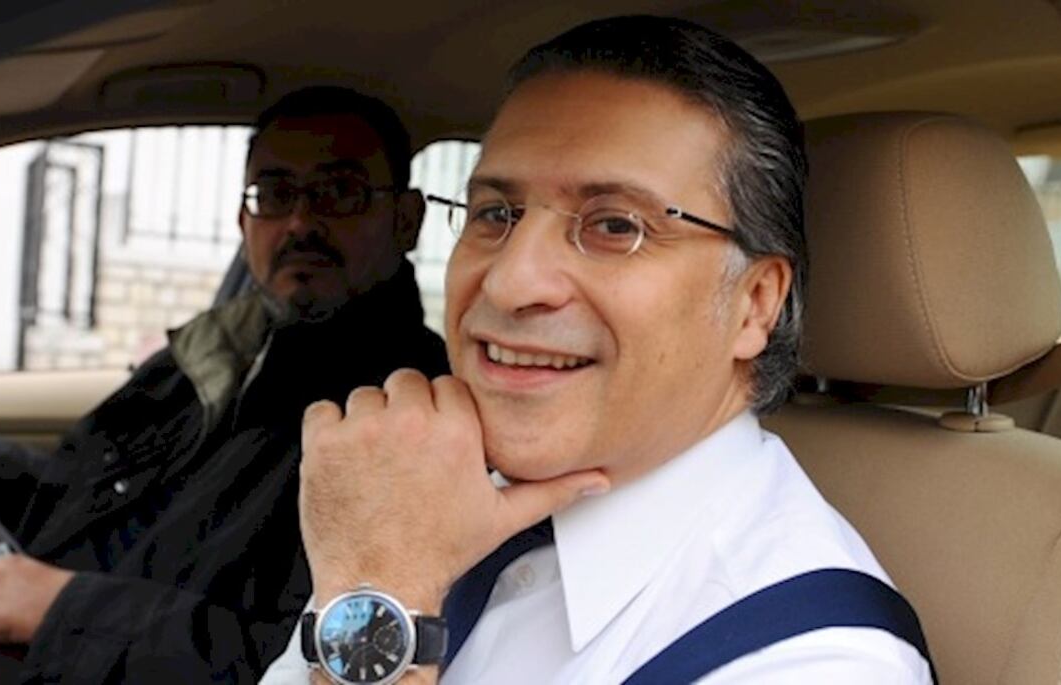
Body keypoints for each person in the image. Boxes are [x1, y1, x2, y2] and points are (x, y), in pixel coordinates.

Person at [263, 17, 934, 685]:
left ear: (755, 303)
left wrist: (380, 602)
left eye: (615, 225)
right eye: (495, 214)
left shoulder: (816, 662)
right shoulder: (419, 505)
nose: (510, 282)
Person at [0, 86, 448, 685]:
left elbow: (299, 661)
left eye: (338, 192)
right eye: (275, 194)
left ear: (406, 220)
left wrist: (65, 609)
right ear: (244, 221)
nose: (300, 222)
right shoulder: (221, 349)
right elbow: (78, 480)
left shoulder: (399, 420)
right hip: (25, 636)